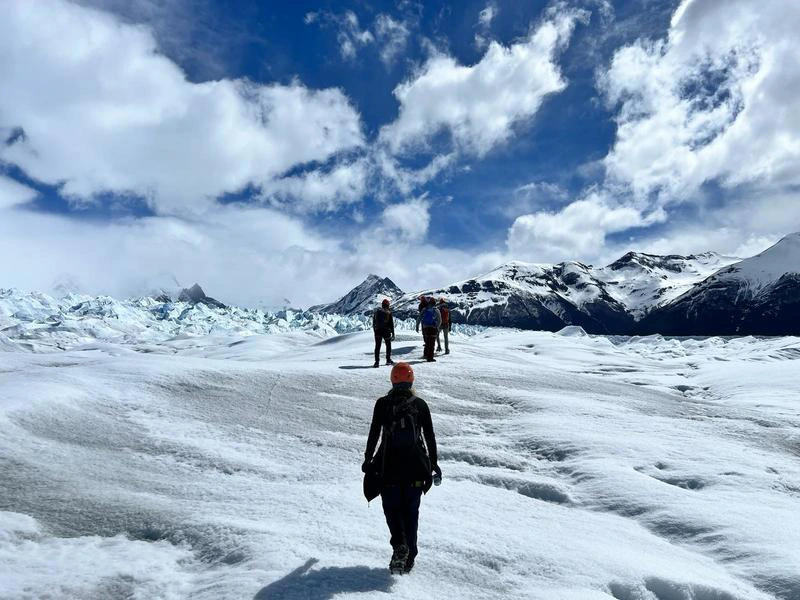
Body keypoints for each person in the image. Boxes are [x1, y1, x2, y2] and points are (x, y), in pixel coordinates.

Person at [362, 362, 441, 574]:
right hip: (416, 469)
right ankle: (409, 558)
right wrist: (434, 464)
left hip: (389, 469)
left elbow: (374, 433)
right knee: (411, 514)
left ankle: (399, 545)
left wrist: (368, 459)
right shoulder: (420, 405)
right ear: (411, 380)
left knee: (392, 511)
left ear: (392, 380)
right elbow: (429, 437)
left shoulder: (382, 404)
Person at [373, 298, 395, 368]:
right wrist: (393, 333)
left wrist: (375, 331)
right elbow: (391, 324)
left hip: (378, 331)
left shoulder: (377, 311)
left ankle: (377, 362)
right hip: (386, 331)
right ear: (388, 305)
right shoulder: (388, 312)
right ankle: (388, 360)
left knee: (377, 346)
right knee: (388, 345)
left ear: (382, 305)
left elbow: (374, 322)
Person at [418, 298, 441, 362]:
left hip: (425, 328)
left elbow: (419, 317)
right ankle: (430, 357)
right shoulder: (436, 310)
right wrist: (437, 327)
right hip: (433, 328)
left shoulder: (424, 309)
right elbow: (439, 320)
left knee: (427, 341)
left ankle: (425, 354)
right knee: (432, 343)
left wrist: (417, 325)